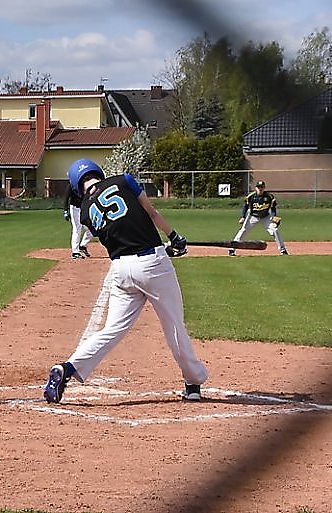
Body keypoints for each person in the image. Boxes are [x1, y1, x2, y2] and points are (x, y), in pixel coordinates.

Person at [43, 159, 209, 403]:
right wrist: (174, 237)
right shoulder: (124, 180)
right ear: (97, 172)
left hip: (121, 270)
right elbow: (151, 214)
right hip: (152, 264)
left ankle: (67, 369)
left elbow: (123, 235)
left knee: (112, 329)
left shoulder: (87, 212)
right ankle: (193, 383)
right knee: (174, 325)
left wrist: (165, 249)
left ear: (77, 185)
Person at [228, 180, 288, 256]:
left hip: (266, 216)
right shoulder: (251, 196)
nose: (260, 189)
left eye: (262, 187)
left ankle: (283, 250)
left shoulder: (269, 196)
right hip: (253, 216)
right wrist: (243, 217)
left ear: (264, 188)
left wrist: (274, 216)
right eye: (259, 187)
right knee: (243, 231)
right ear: (256, 188)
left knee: (275, 230)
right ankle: (232, 249)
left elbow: (273, 207)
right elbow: (245, 207)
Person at [63, 181, 93, 259]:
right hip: (75, 208)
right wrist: (65, 211)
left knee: (91, 228)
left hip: (84, 208)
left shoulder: (85, 184)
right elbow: (66, 198)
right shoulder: (72, 184)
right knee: (77, 229)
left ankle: (83, 245)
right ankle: (75, 252)